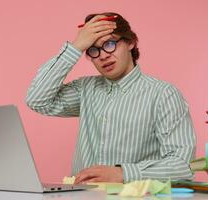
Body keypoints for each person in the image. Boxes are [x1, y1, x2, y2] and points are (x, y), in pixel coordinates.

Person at [25, 12, 196, 184]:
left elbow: (182, 165)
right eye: (93, 49)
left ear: (130, 42)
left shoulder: (163, 95)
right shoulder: (85, 89)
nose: (103, 55)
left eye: (110, 44)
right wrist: (76, 47)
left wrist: (123, 173)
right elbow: (37, 100)